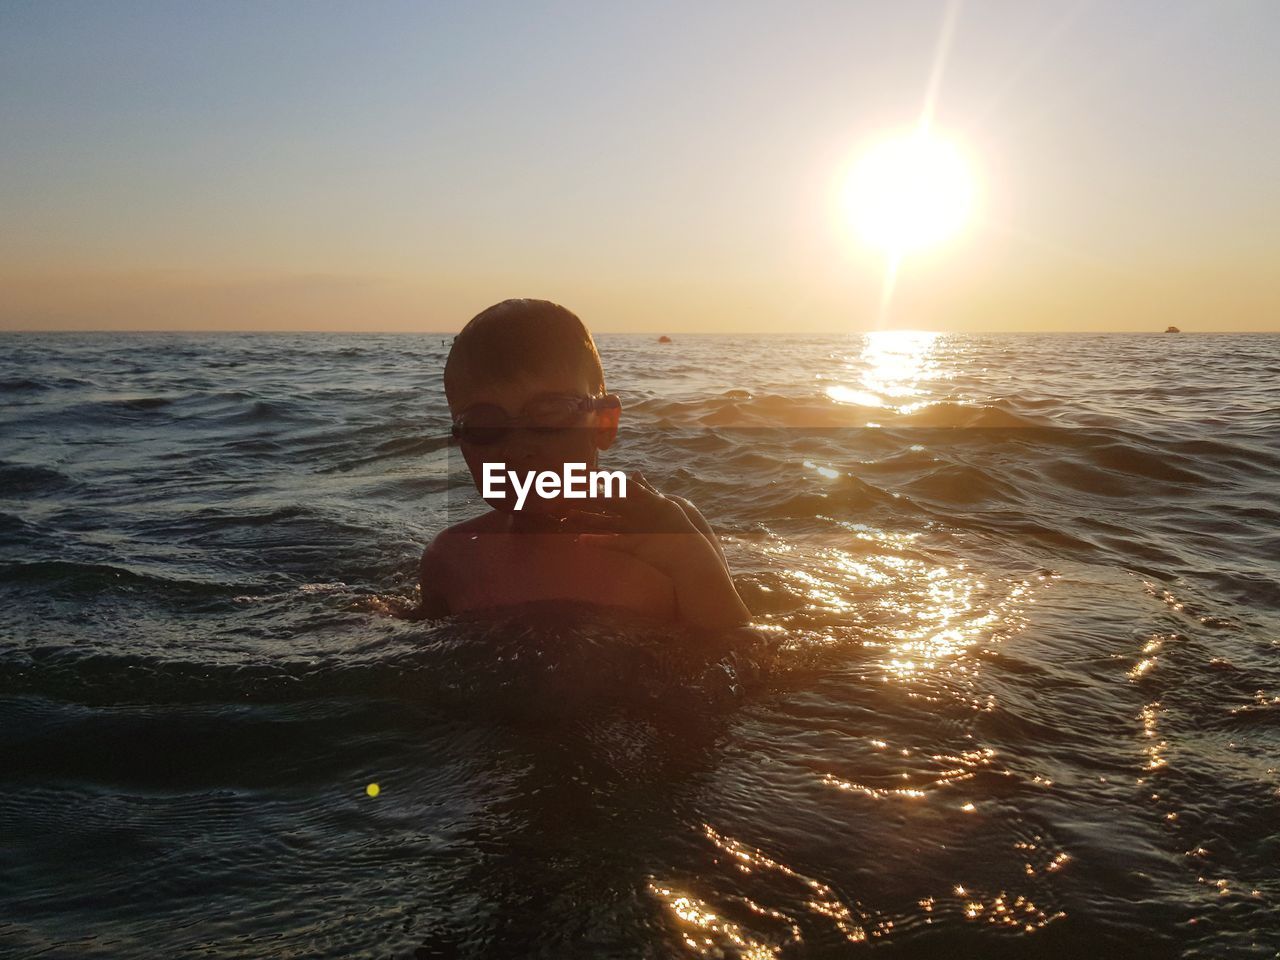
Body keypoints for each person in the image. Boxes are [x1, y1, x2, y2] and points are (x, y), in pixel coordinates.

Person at [406, 298, 751, 630]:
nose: (519, 447)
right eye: (484, 425)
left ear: (603, 423)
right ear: (461, 442)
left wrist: (690, 563)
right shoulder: (451, 558)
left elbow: (741, 653)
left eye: (550, 413)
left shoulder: (672, 534)